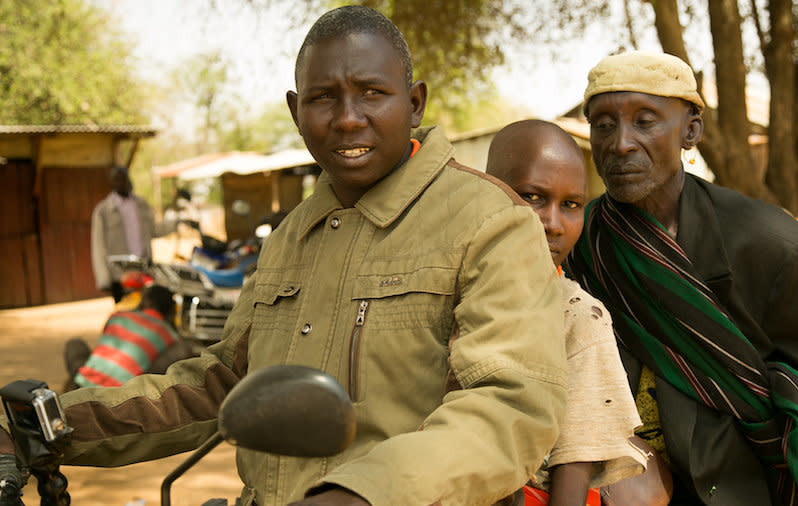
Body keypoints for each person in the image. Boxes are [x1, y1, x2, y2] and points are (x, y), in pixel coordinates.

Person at [1, 6, 568, 506]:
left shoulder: (490, 221)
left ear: (414, 103)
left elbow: (510, 406)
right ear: (297, 112)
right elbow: (223, 386)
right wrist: (45, 427)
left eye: (372, 92)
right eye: (324, 98)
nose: (348, 117)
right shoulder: (290, 236)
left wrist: (359, 495)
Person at [564, 51, 798, 505]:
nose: (621, 143)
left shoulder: (772, 244)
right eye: (604, 124)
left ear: (690, 130)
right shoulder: (584, 240)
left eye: (645, 121)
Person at [485, 119, 647, 506]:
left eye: (571, 205)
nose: (553, 224)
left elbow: (576, 454)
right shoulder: (443, 288)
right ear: (487, 193)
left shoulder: (577, 316)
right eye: (533, 197)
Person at [62, 284, 195, 390]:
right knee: (181, 351)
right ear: (170, 311)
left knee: (75, 343)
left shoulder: (118, 316)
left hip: (83, 383)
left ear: (145, 302)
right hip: (122, 393)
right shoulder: (171, 336)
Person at [90, 166, 156, 303]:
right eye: (117, 180)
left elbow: (153, 230)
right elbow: (98, 246)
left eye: (123, 178)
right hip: (120, 275)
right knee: (126, 315)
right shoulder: (103, 211)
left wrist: (178, 223)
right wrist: (104, 279)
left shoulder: (141, 205)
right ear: (112, 183)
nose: (121, 183)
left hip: (143, 270)